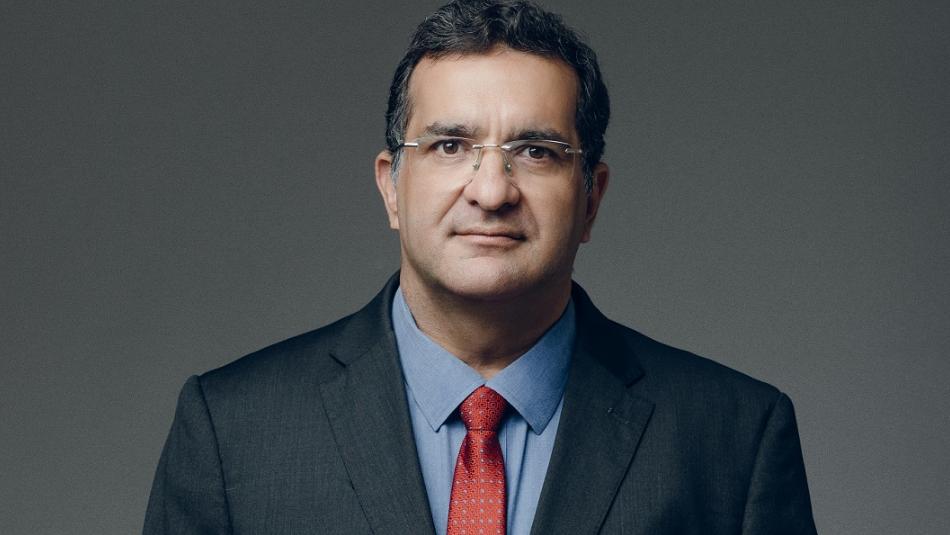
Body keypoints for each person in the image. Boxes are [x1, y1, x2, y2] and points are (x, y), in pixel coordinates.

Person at [144, 1, 817, 533]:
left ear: (591, 198)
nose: (491, 191)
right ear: (391, 187)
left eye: (536, 151)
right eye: (449, 145)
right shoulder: (232, 430)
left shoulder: (733, 439)